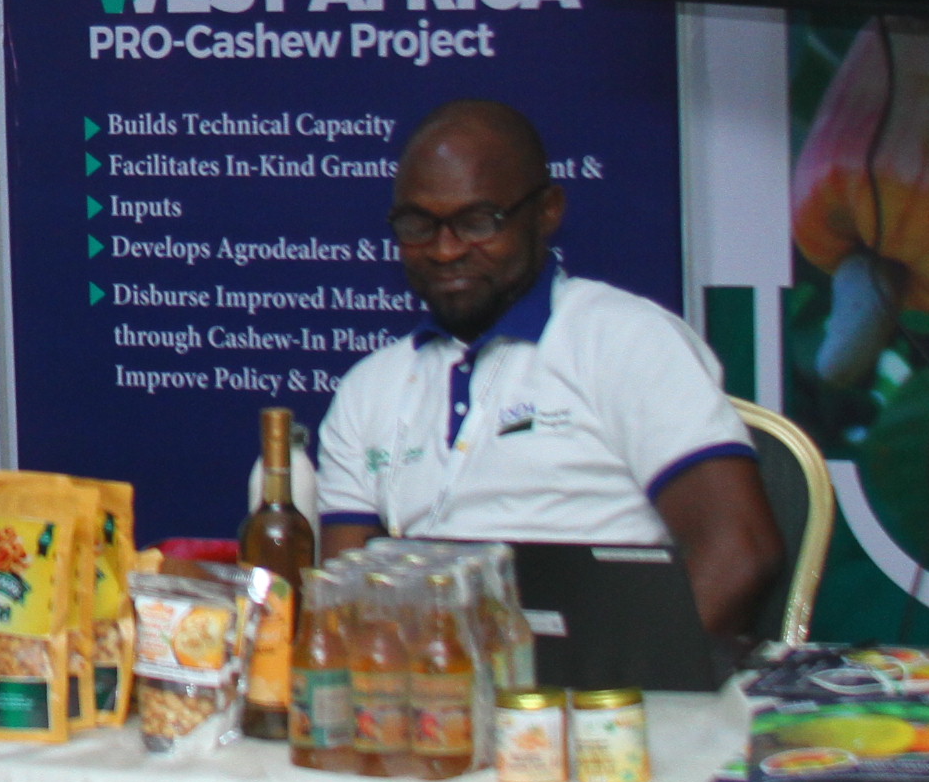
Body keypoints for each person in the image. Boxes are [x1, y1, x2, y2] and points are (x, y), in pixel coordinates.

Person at [314, 97, 784, 645]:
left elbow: (739, 552)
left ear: (547, 211)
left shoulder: (625, 340)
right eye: (419, 225)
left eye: (476, 222)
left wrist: (627, 682)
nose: (444, 251)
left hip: (610, 677)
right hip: (432, 685)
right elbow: (341, 606)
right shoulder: (369, 389)